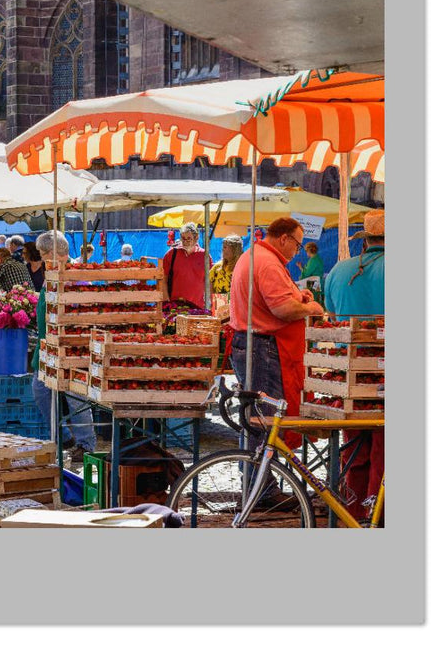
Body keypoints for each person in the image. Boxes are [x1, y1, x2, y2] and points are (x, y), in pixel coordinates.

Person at [229, 217, 323, 452]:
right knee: (264, 418)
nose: (297, 250)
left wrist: (295, 294)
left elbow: (271, 298)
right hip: (263, 348)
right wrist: (310, 308)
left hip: (252, 344)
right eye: (298, 245)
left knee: (257, 417)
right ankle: (262, 485)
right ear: (284, 238)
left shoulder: (254, 255)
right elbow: (283, 310)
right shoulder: (268, 263)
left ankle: (259, 479)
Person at [324, 210, 385, 522]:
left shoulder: (338, 270)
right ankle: (379, 515)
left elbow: (331, 317)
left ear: (365, 240)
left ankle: (354, 512)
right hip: (386, 374)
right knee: (384, 448)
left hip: (348, 376)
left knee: (355, 448)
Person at [32, 231, 96, 461]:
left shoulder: (76, 276)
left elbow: (84, 311)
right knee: (40, 390)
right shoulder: (51, 273)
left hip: (72, 346)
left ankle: (86, 444)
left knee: (75, 395)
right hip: (49, 347)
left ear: (55, 253)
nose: (41, 259)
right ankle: (65, 436)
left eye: (43, 254)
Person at [161, 222, 212, 310]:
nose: (185, 241)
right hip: (175, 307)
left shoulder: (205, 256)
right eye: (183, 238)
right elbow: (162, 279)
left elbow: (210, 282)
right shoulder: (171, 254)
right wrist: (166, 302)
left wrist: (210, 303)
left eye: (189, 238)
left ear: (196, 238)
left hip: (198, 308)